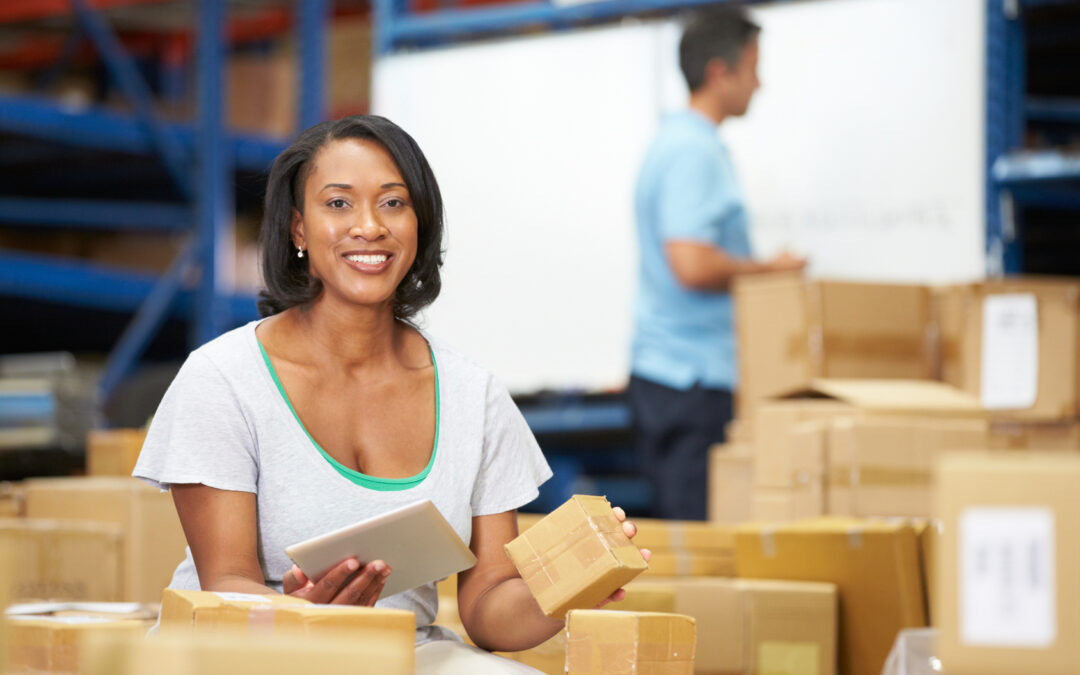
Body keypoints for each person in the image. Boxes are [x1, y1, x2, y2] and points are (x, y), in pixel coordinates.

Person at [133, 115, 649, 673]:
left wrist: (566, 590)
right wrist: (300, 618)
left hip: (399, 651)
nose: (370, 227)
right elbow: (226, 582)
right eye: (337, 204)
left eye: (393, 203)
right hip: (243, 649)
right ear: (298, 230)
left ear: (419, 224)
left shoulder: (473, 396)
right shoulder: (223, 378)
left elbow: (487, 606)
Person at [630, 7, 806, 521]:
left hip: (676, 377)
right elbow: (691, 262)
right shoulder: (692, 152)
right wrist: (772, 272)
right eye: (753, 67)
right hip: (691, 382)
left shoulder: (680, 143)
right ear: (717, 72)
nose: (760, 83)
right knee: (697, 544)